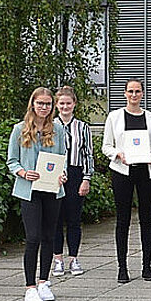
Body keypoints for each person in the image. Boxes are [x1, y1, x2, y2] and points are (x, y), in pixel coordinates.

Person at [6, 88, 68, 301]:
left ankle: (44, 281)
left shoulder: (58, 129)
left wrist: (62, 174)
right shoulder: (19, 129)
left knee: (49, 236)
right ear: (32, 104)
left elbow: (63, 158)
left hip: (52, 189)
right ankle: (30, 287)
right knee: (33, 237)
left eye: (48, 104)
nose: (44, 107)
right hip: (29, 189)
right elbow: (12, 161)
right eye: (40, 103)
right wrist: (23, 173)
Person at [101, 79, 151, 283]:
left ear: (143, 94)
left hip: (146, 172)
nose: (134, 95)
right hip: (122, 171)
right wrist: (118, 154)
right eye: (130, 91)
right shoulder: (114, 117)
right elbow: (106, 146)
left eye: (138, 91)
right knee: (123, 220)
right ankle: (122, 268)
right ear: (125, 94)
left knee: (146, 219)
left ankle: (147, 266)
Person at [51, 86, 94, 279]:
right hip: (55, 175)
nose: (65, 106)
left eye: (68, 103)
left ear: (74, 104)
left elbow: (88, 154)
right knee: (55, 220)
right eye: (61, 103)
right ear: (56, 105)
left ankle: (74, 258)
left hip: (75, 174)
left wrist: (86, 178)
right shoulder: (50, 126)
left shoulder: (82, 127)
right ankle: (57, 259)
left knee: (74, 220)